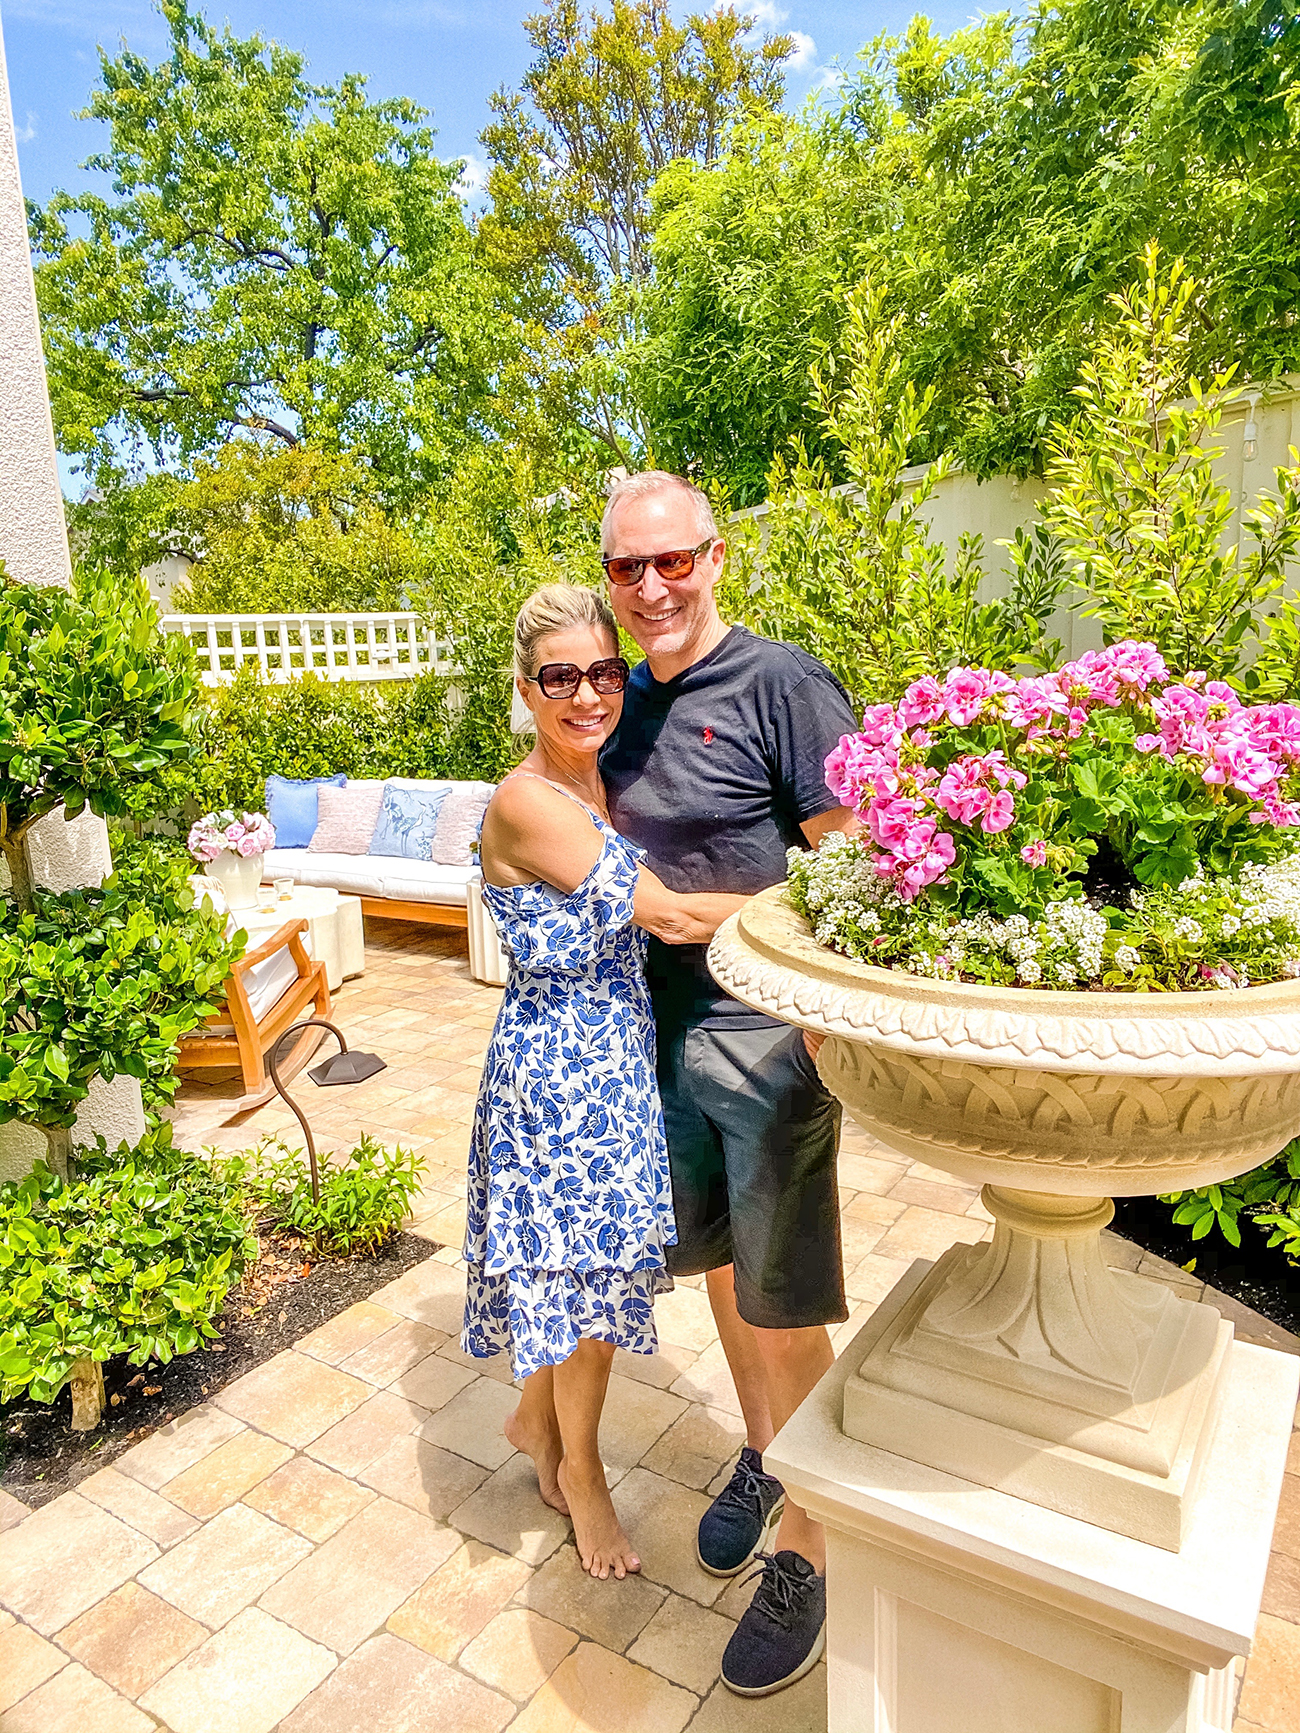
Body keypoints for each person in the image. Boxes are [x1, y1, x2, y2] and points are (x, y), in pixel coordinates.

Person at [600, 471, 858, 1697]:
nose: (652, 586)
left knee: (782, 1295)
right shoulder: (616, 699)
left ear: (714, 557)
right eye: (627, 566)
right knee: (713, 1262)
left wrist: (709, 921)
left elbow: (856, 867)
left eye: (673, 560)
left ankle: (810, 1545)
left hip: (762, 1038)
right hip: (650, 1033)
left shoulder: (781, 683)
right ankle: (767, 1454)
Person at [461, 583, 742, 1582]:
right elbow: (666, 914)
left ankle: (534, 1421)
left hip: (612, 1054)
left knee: (583, 1268)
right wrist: (803, 909)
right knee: (583, 1288)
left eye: (602, 670)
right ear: (525, 688)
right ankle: (582, 1475)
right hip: (558, 1074)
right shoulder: (527, 800)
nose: (586, 693)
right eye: (559, 677)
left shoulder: (597, 778)